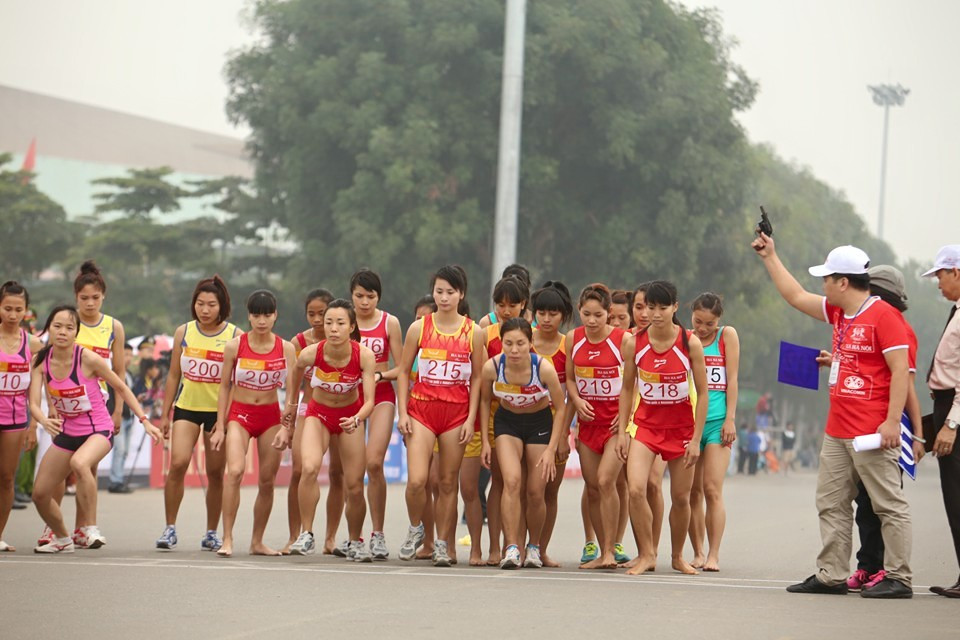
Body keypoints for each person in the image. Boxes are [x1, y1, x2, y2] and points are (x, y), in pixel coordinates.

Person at [752, 233, 912, 598]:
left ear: (843, 281)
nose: (822, 284)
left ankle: (899, 577)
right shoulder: (840, 312)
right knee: (831, 502)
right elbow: (794, 296)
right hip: (837, 429)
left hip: (871, 430)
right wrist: (770, 256)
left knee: (888, 504)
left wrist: (891, 422)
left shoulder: (884, 317)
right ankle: (831, 574)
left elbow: (900, 371)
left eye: (827, 278)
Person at [30, 305, 160, 553]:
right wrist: (43, 420)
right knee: (40, 494)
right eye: (57, 326)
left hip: (98, 430)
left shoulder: (87, 358)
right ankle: (62, 538)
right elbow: (34, 403)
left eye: (69, 328)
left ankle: (89, 526)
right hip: (67, 432)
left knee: (80, 463)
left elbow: (121, 387)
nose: (62, 332)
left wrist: (145, 421)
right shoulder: (41, 360)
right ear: (48, 330)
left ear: (76, 333)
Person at [840, 265, 924, 591]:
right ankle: (868, 565)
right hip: (862, 427)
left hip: (889, 430)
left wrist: (915, 433)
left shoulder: (898, 327)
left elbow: (909, 387)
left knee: (882, 504)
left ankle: (888, 570)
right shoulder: (866, 323)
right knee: (865, 502)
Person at [36, 261, 129, 549]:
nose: (89, 303)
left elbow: (120, 374)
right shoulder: (66, 323)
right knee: (61, 471)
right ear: (75, 297)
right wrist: (50, 406)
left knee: (87, 468)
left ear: (104, 297)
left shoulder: (113, 326)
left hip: (98, 411)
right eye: (84, 298)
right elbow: (49, 366)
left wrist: (118, 410)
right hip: (65, 409)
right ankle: (54, 527)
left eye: (95, 298)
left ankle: (84, 528)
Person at [396, 265, 484, 567]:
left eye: (450, 292)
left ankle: (444, 545)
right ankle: (416, 528)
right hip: (421, 411)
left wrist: (471, 419)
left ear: (461, 294)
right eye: (439, 291)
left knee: (448, 484)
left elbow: (477, 379)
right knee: (417, 481)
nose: (444, 297)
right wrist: (403, 412)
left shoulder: (474, 332)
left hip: (456, 414)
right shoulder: (419, 328)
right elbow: (404, 371)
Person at [621, 280, 707, 576]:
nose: (655, 314)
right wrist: (622, 431)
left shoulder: (689, 343)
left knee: (681, 498)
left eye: (662, 307)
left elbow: (704, 393)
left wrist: (696, 439)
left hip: (681, 430)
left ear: (675, 307)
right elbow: (626, 388)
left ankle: (678, 556)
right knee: (635, 489)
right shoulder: (634, 342)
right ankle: (647, 553)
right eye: (649, 307)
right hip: (644, 428)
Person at [283, 299, 377, 561]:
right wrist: (292, 404)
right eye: (328, 323)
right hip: (319, 415)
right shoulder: (311, 353)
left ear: (352, 326)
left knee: (355, 485)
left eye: (340, 323)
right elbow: (296, 371)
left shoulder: (364, 356)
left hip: (350, 418)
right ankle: (307, 532)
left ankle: (355, 540)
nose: (333, 329)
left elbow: (370, 400)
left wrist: (357, 418)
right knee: (309, 468)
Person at [155, 276, 239, 551]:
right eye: (200, 303)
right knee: (178, 463)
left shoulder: (235, 336)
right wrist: (165, 414)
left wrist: (225, 421)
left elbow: (236, 383)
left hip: (218, 413)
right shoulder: (184, 332)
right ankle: (169, 528)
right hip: (187, 407)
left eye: (211, 304)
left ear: (221, 306)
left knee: (215, 473)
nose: (205, 309)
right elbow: (173, 377)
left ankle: (212, 532)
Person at [479, 318, 567, 568]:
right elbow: (485, 402)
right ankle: (511, 547)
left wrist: (551, 449)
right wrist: (486, 441)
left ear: (531, 343)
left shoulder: (544, 368)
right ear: (502, 343)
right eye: (508, 344)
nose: (514, 350)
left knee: (535, 491)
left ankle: (534, 547)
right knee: (512, 481)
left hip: (539, 425)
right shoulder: (492, 367)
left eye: (520, 343)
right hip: (507, 424)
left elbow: (560, 408)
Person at [215, 290, 296, 557]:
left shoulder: (286, 348)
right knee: (235, 472)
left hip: (270, 418)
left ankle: (257, 541)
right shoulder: (235, 346)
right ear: (249, 316)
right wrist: (220, 425)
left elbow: (292, 391)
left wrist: (287, 425)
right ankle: (226, 538)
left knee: (266, 482)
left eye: (267, 315)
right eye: (256, 315)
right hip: (240, 415)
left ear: (275, 316)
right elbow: (224, 387)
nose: (261, 320)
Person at [565, 283, 630, 569]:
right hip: (587, 426)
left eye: (598, 315)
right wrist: (577, 400)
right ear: (579, 311)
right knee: (592, 487)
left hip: (615, 426)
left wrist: (627, 417)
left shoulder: (623, 340)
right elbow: (569, 378)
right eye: (586, 314)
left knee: (607, 481)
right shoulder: (573, 339)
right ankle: (603, 551)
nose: (591, 321)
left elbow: (636, 382)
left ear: (609, 313)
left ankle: (610, 550)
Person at [475, 275, 529, 565]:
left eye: (512, 304)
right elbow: (482, 387)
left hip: (532, 418)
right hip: (499, 416)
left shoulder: (531, 332)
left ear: (523, 305)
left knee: (522, 484)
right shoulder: (486, 333)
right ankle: (496, 546)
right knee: (501, 482)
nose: (506, 310)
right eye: (500, 304)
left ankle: (520, 544)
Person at [350, 269, 403, 560]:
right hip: (350, 399)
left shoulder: (389, 322)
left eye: (370, 296)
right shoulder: (343, 321)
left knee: (373, 463)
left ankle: (378, 534)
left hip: (381, 396)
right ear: (351, 296)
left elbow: (402, 367)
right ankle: (353, 537)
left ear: (378, 297)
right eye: (359, 296)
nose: (365, 302)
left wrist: (379, 376)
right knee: (353, 472)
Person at [281, 288, 337, 555]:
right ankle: (297, 534)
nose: (316, 319)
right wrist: (289, 417)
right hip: (309, 408)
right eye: (311, 314)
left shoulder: (344, 338)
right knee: (299, 471)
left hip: (340, 408)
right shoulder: (299, 342)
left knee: (340, 474)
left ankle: (331, 538)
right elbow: (293, 382)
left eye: (322, 314)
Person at [687, 293, 739, 572]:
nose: (703, 328)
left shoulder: (726, 336)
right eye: (698, 321)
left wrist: (730, 419)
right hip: (689, 424)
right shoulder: (684, 338)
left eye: (709, 323)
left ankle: (713, 555)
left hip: (718, 423)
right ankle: (697, 551)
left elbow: (732, 379)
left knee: (711, 489)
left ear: (718, 320)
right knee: (691, 491)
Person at [923, 245, 960, 597]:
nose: (938, 283)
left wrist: (951, 424)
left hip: (955, 409)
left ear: (957, 272)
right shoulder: (956, 310)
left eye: (940, 275)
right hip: (945, 403)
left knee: (957, 495)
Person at [530, 281, 574, 567]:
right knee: (525, 489)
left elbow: (571, 394)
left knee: (549, 491)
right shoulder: (525, 339)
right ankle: (518, 545)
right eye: (541, 312)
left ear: (563, 316)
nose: (546, 319)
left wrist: (562, 436)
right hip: (524, 420)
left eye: (553, 314)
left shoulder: (568, 344)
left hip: (555, 425)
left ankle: (540, 548)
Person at [0, 282, 43, 551]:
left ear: (26, 311)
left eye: (18, 309)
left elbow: (36, 386)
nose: (13, 315)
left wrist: (34, 423)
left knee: (6, 478)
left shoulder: (33, 344)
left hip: (16, 418)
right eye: (7, 308)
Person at [106, 343, 136, 494]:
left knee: (124, 451)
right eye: (126, 355)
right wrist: (114, 413)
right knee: (119, 449)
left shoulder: (129, 374)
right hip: (117, 416)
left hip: (129, 416)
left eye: (131, 355)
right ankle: (115, 481)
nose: (129, 358)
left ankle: (119, 478)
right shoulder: (110, 373)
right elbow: (111, 397)